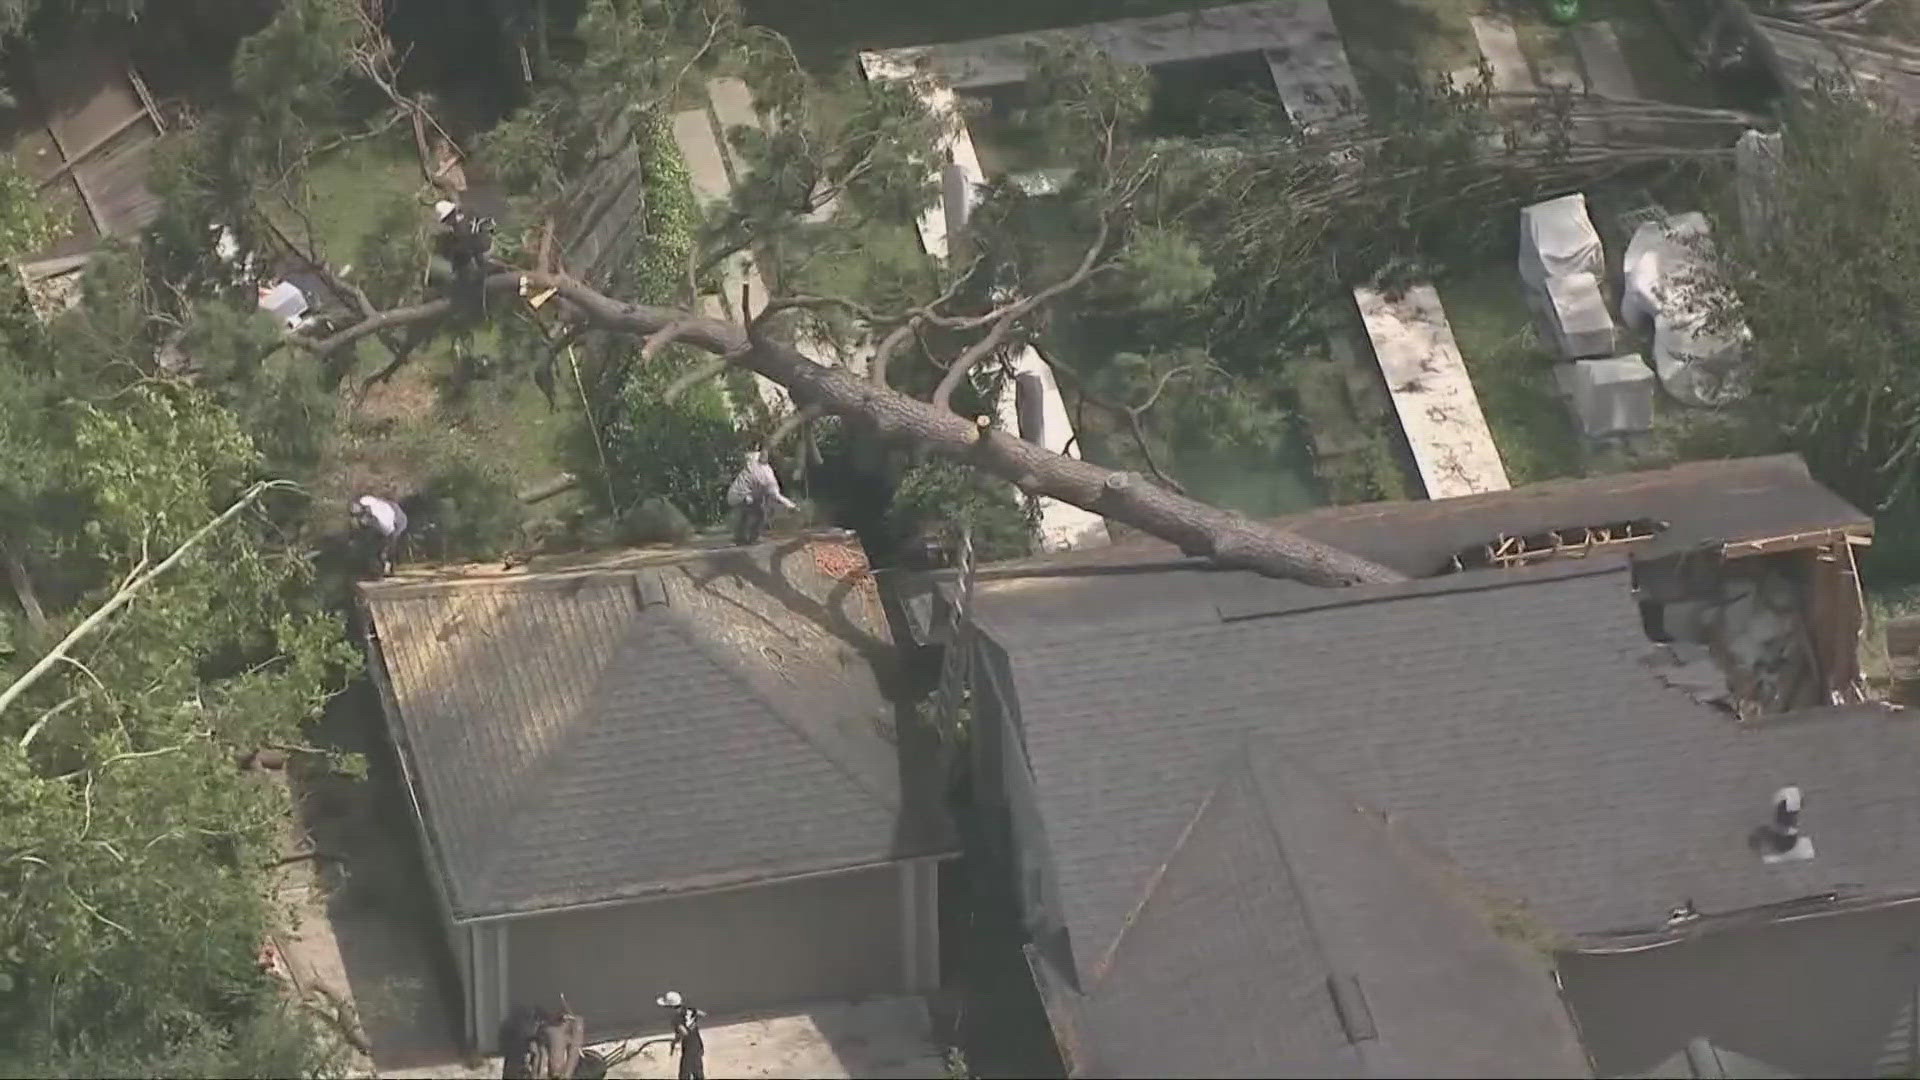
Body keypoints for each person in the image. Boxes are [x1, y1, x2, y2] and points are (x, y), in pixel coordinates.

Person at [726, 450, 797, 546]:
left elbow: (746, 455)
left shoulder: (754, 459)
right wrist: (791, 505)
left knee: (748, 511)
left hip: (734, 493)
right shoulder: (769, 478)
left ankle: (741, 537)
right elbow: (777, 496)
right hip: (743, 496)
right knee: (759, 514)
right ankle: (751, 538)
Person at [349, 495, 408, 577]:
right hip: (381, 519)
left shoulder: (381, 518)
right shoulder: (365, 502)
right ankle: (375, 567)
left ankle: (388, 567)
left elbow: (390, 532)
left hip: (396, 522)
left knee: (386, 548)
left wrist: (385, 549)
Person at [656, 991, 707, 1080]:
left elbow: (684, 1032)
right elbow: (702, 1014)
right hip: (698, 1044)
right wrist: (692, 1023)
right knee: (698, 1071)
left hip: (688, 1047)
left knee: (684, 1074)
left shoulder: (676, 1018)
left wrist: (675, 1040)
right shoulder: (689, 1010)